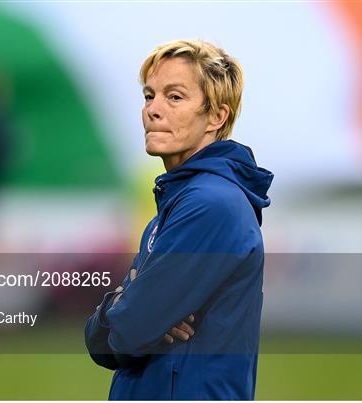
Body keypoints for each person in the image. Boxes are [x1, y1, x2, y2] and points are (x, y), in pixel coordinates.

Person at [84, 39, 273, 400]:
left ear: (217, 116)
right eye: (149, 95)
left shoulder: (210, 204)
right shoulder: (178, 205)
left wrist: (123, 313)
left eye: (174, 97)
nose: (153, 110)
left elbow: (127, 334)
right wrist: (124, 311)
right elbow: (110, 337)